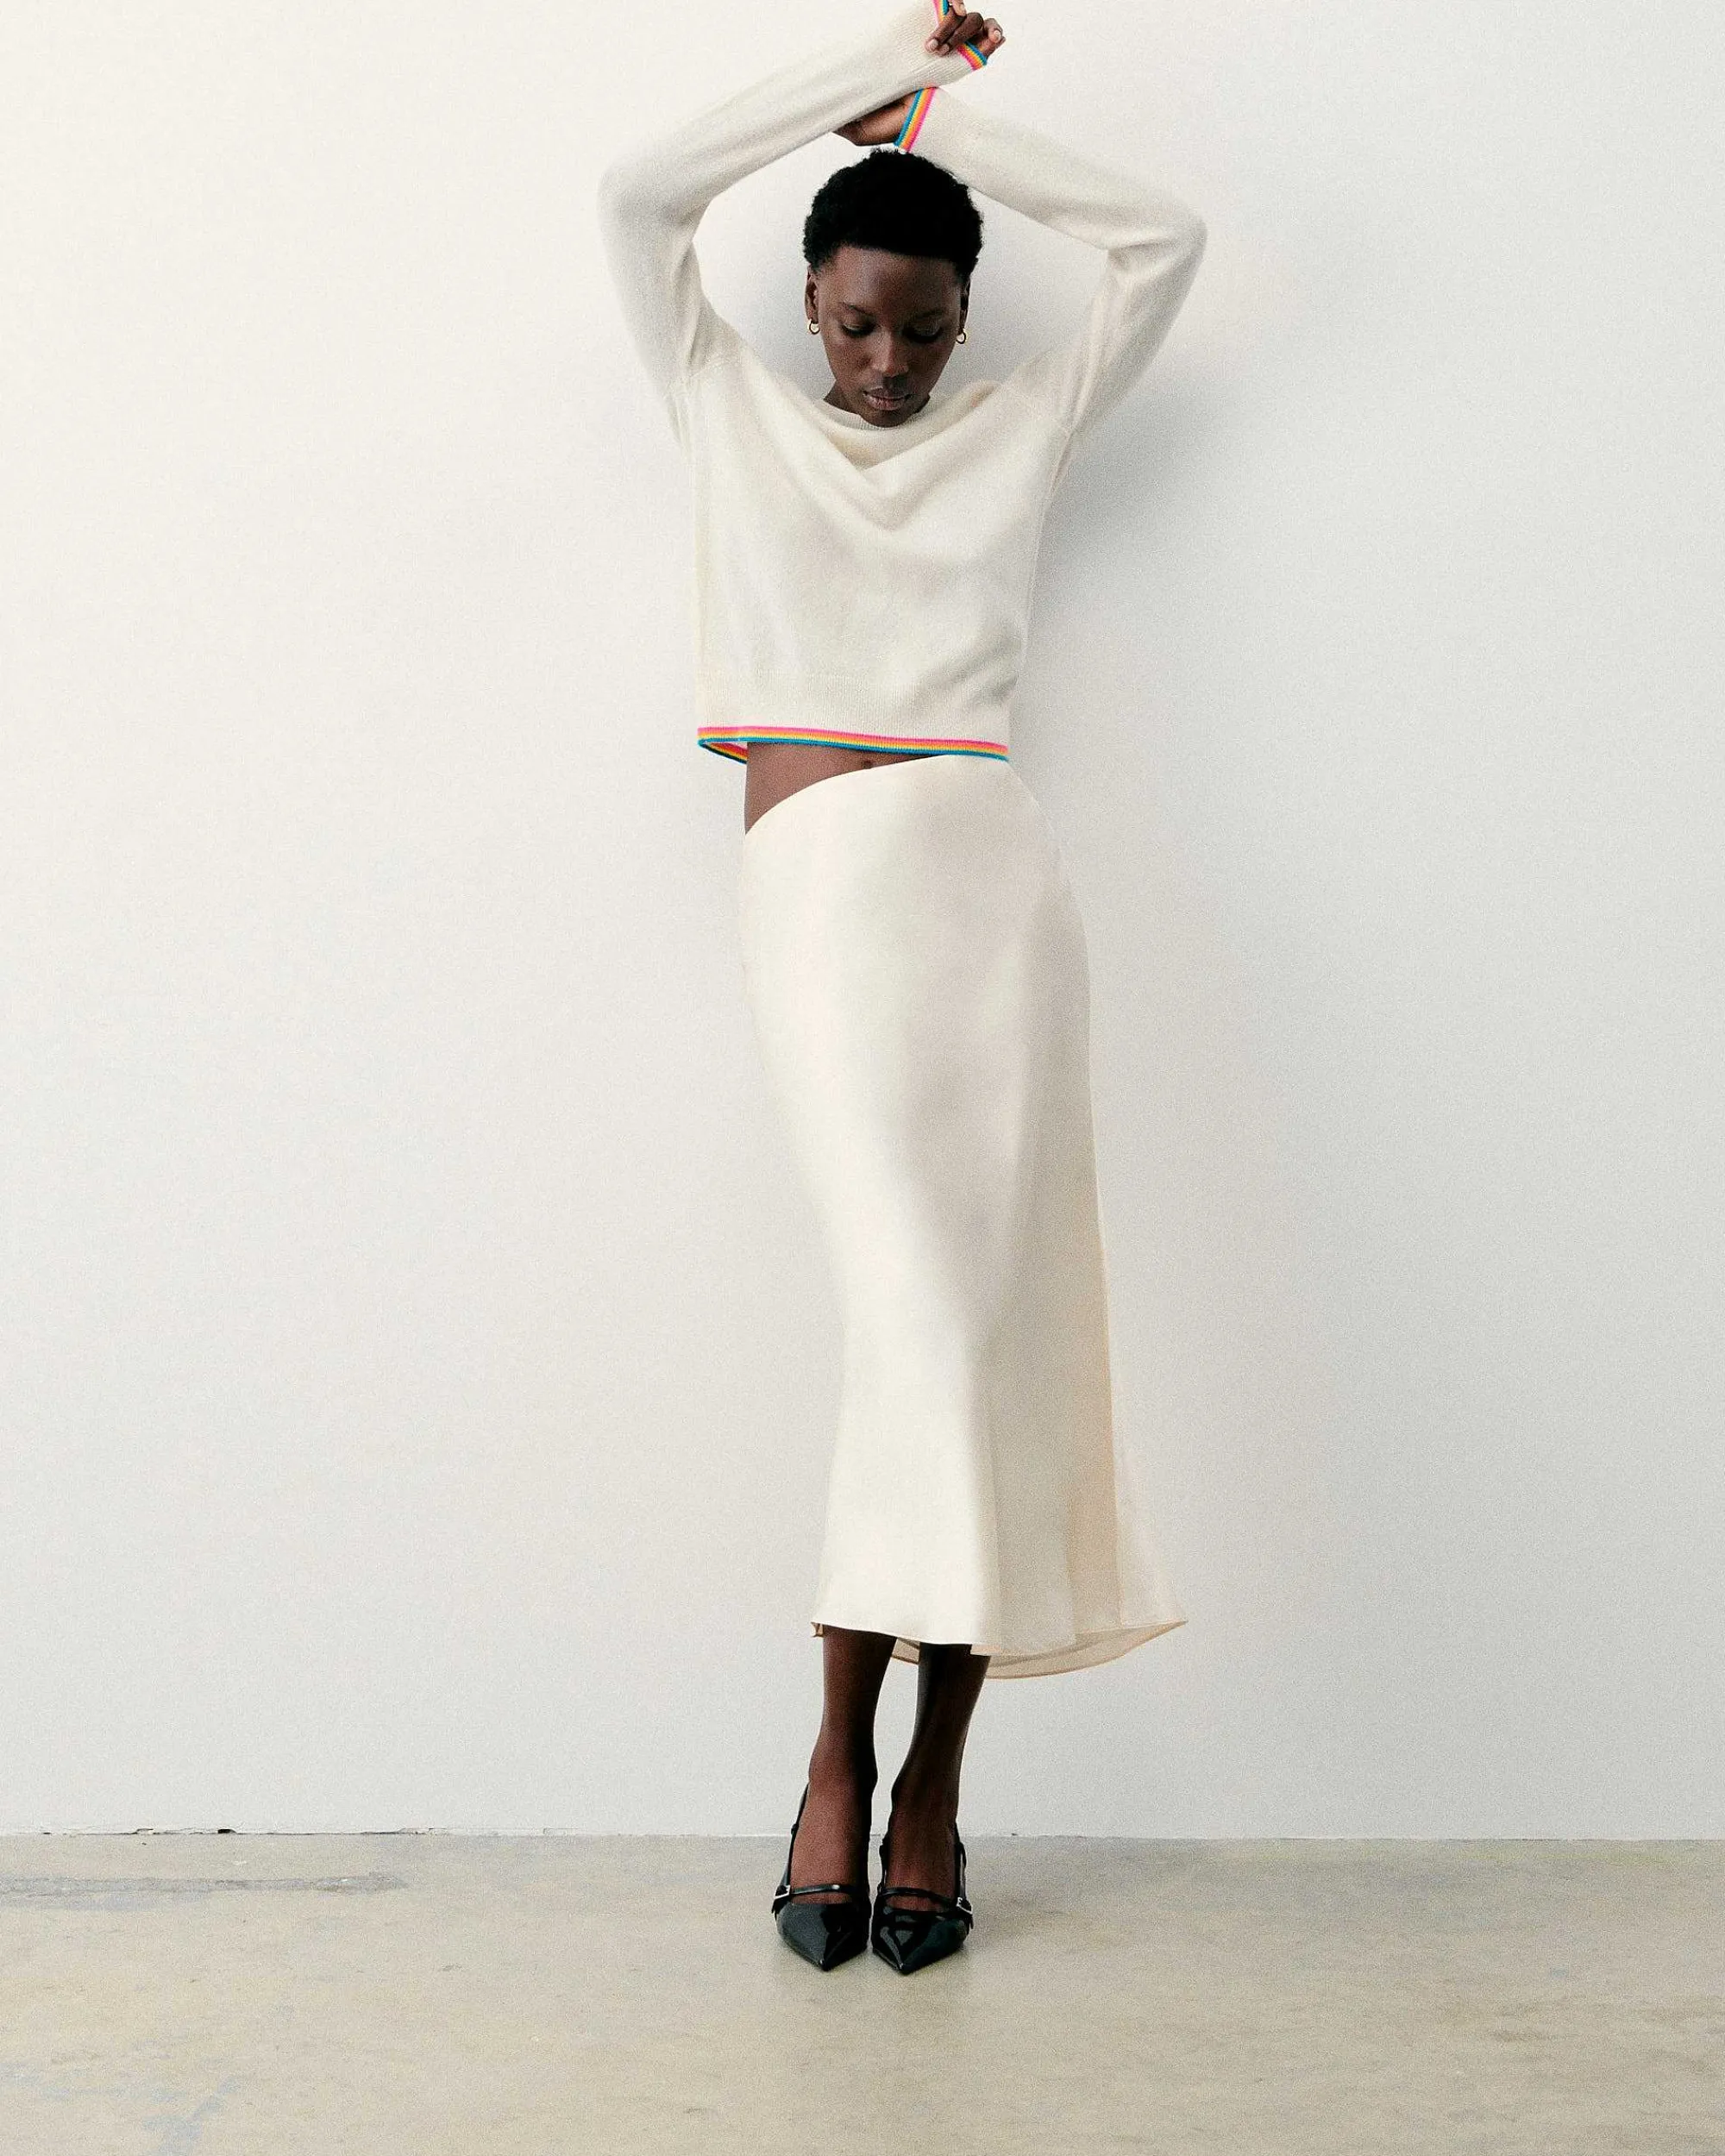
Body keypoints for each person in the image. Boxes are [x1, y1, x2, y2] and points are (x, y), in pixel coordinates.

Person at [597, 0, 1206, 1974]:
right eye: (858, 323)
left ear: (958, 319)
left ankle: (922, 1778)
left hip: (990, 898)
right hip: (821, 903)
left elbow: (1164, 242)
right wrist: (867, 80)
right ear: (807, 301)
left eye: (922, 328)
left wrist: (947, 130)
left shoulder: (1019, 419)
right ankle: (841, 1754)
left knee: (979, 1336)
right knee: (920, 1323)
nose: (884, 364)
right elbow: (635, 194)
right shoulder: (727, 400)